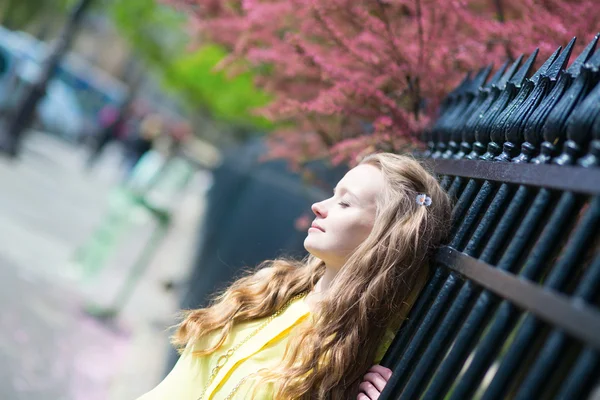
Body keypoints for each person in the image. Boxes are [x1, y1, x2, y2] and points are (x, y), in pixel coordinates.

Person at [137, 153, 453, 400]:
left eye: (344, 202)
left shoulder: (366, 350)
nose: (318, 206)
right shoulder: (274, 287)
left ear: (385, 234)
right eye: (332, 194)